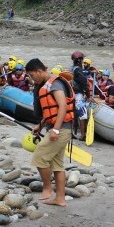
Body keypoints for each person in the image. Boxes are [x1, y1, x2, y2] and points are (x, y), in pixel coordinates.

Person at [26, 58, 74, 207]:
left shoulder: (55, 84)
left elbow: (63, 106)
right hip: (57, 128)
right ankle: (60, 199)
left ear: (39, 71)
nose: (32, 79)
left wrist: (55, 129)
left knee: (39, 156)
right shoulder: (46, 85)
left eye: (32, 75)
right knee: (57, 165)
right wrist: (40, 126)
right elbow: (49, 112)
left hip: (61, 129)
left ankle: (47, 188)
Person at [71, 51, 91, 141]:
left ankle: (71, 133)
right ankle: (83, 135)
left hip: (71, 93)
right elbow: (83, 83)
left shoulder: (72, 68)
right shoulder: (78, 70)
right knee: (83, 114)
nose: (83, 61)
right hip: (77, 94)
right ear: (79, 60)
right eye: (82, 59)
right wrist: (88, 95)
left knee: (72, 113)